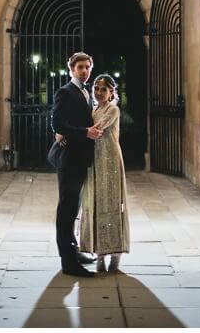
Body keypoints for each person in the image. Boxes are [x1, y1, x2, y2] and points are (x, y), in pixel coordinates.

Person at [50, 51, 103, 277]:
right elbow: (57, 124)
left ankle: (74, 252)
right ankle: (68, 263)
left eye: (88, 67)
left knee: (75, 209)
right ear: (71, 69)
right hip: (69, 160)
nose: (85, 71)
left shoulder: (86, 92)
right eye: (80, 67)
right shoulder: (65, 92)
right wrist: (85, 132)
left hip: (80, 159)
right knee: (66, 211)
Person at [79, 73, 130, 272]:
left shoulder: (113, 110)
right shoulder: (92, 110)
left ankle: (115, 258)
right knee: (96, 205)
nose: (99, 92)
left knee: (112, 204)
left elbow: (96, 130)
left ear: (111, 92)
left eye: (103, 89)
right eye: (96, 89)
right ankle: (99, 256)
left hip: (110, 164)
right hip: (95, 164)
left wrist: (73, 131)